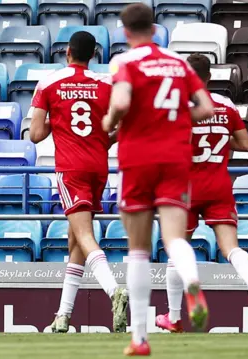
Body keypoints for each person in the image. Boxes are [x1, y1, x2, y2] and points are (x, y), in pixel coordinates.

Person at [103, 3, 214, 355]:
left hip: (138, 158)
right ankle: (192, 280)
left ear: (125, 31)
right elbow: (207, 108)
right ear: (154, 29)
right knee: (174, 238)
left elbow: (120, 102)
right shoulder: (178, 63)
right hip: (176, 157)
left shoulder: (125, 63)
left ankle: (139, 340)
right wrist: (178, 119)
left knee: (138, 249)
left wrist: (109, 123)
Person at [155, 54, 248, 334]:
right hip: (219, 184)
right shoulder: (226, 105)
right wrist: (218, 137)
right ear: (209, 78)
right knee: (230, 248)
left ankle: (174, 316)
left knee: (176, 250)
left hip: (186, 188)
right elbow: (244, 145)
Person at [29, 30, 129, 333]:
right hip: (98, 166)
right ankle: (63, 316)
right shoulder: (106, 83)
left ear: (67, 52)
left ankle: (115, 292)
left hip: (70, 168)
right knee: (75, 241)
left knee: (84, 235)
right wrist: (107, 141)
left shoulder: (49, 83)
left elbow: (35, 135)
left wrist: (56, 120)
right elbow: (126, 121)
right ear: (93, 55)